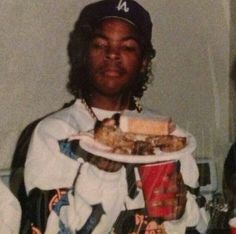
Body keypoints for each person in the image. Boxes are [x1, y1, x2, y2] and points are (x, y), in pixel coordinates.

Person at [18, 0, 208, 233]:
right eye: (100, 44)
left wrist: (179, 215)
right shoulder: (55, 134)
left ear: (144, 62)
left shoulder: (170, 137)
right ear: (85, 55)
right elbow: (49, 227)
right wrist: (101, 176)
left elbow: (201, 225)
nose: (112, 54)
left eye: (127, 47)